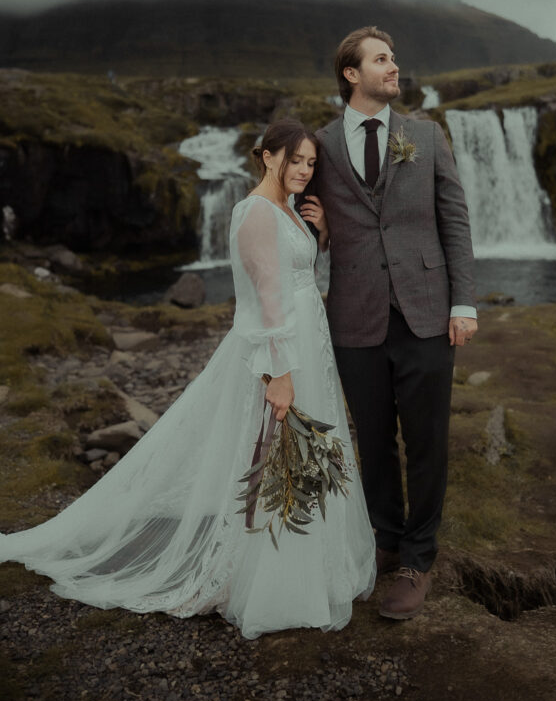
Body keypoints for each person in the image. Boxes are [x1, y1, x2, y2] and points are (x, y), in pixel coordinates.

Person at [0, 120, 376, 640]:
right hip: (280, 354)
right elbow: (267, 302)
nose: (305, 171)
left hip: (309, 348)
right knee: (267, 456)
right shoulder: (254, 213)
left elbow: (298, 276)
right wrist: (281, 376)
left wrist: (322, 233)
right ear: (268, 157)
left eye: (311, 163)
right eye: (296, 160)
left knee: (295, 457)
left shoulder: (289, 211)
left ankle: (303, 565)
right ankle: (251, 576)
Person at [314, 26, 477, 621]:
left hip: (428, 310)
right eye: (381, 59)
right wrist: (317, 229)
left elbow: (454, 220)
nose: (394, 67)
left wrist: (465, 303)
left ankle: (418, 557)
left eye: (394, 58)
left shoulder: (426, 136)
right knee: (373, 438)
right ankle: (383, 540)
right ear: (351, 74)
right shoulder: (322, 145)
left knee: (427, 440)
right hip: (354, 314)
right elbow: (302, 214)